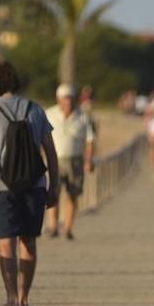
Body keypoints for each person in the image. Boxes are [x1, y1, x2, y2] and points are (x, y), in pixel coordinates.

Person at [0, 62, 59, 306]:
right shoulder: (36, 110)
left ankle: (10, 300)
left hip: (1, 186)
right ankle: (24, 299)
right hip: (35, 185)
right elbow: (50, 152)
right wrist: (54, 185)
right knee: (29, 242)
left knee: (6, 244)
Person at [45, 84, 95, 240]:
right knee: (53, 192)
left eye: (70, 99)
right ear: (58, 99)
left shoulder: (83, 116)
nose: (67, 102)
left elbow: (90, 140)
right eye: (64, 99)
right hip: (54, 159)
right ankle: (53, 226)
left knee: (72, 194)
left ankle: (68, 227)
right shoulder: (49, 114)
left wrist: (89, 160)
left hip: (75, 159)